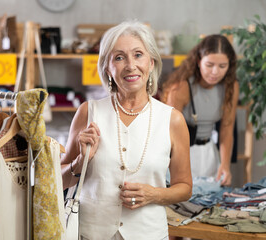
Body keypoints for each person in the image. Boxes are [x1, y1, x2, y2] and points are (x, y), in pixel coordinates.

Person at [61, 20, 192, 240]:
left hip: (148, 234)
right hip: (91, 233)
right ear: (108, 68)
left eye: (138, 55)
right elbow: (60, 180)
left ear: (151, 63)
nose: (130, 65)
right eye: (119, 57)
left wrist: (154, 194)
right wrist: (80, 163)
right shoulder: (88, 112)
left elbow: (185, 187)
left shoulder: (172, 119)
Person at [162, 34, 239, 186]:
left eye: (222, 66)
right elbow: (169, 133)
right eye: (209, 65)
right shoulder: (180, 87)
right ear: (198, 61)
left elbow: (227, 129)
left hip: (209, 152)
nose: (215, 72)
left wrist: (225, 165)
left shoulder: (231, 86)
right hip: (180, 153)